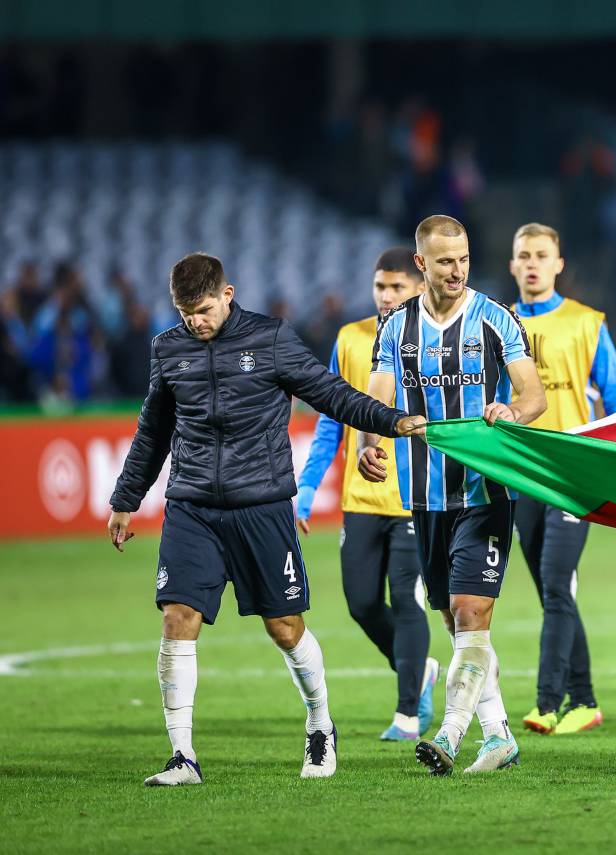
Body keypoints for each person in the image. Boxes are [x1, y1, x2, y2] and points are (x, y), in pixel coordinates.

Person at [107, 253, 423, 787]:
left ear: (227, 295)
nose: (195, 322)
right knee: (176, 618)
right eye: (185, 313)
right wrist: (125, 497)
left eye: (203, 310)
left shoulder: (272, 339)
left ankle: (321, 724)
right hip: (192, 506)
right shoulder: (169, 348)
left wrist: (391, 421)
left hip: (261, 506)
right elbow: (153, 429)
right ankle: (182, 756)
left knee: (285, 628)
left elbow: (333, 395)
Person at [359, 215, 547, 776]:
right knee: (453, 619)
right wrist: (374, 443)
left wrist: (510, 410)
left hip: (486, 490)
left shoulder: (495, 318)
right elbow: (378, 400)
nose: (457, 270)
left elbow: (532, 394)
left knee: (471, 610)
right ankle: (500, 736)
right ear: (422, 265)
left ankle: (449, 734)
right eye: (445, 261)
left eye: (464, 258)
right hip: (426, 496)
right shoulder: (395, 328)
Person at [296, 247, 437, 742]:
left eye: (397, 287)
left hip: (416, 495)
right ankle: (420, 671)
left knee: (406, 598)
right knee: (360, 603)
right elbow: (332, 418)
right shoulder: (351, 339)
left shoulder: (437, 339)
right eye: (380, 286)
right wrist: (308, 488)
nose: (386, 295)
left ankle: (408, 712)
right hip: (361, 498)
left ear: (419, 288)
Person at [508, 222, 616, 736]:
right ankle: (585, 700)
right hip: (520, 477)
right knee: (554, 594)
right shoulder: (498, 324)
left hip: (570, 477)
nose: (532, 263)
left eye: (542, 255)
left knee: (556, 584)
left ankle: (547, 702)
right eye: (523, 255)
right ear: (512, 265)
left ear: (559, 265)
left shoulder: (587, 323)